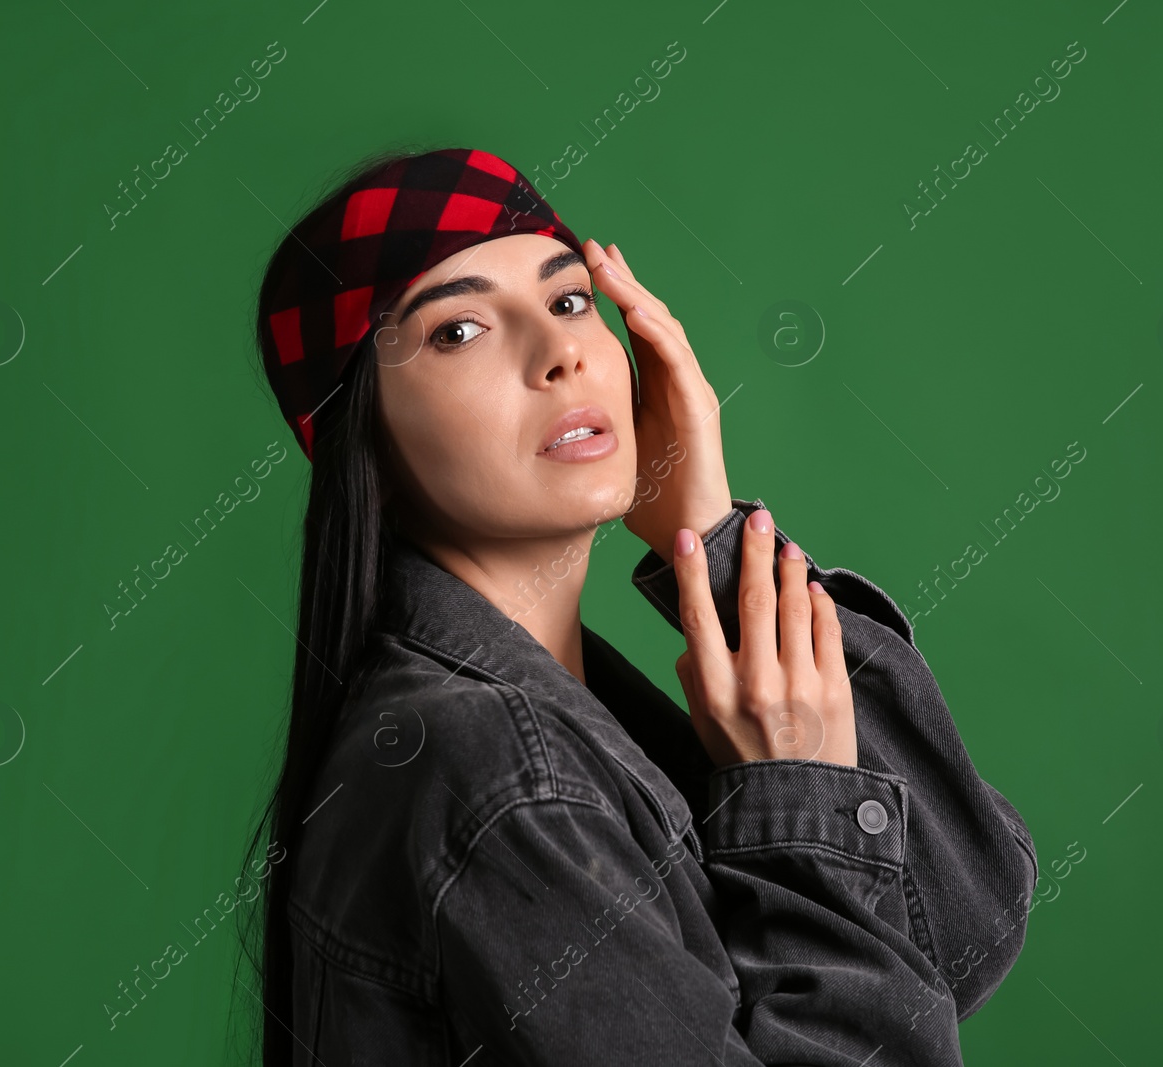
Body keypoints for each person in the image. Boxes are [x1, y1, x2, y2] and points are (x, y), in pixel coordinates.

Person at [235, 145, 1039, 1065]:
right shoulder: (500, 780)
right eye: (458, 330)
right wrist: (797, 800)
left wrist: (715, 540)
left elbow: (964, 927)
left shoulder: (548, 724)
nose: (559, 354)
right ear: (358, 443)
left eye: (569, 298)